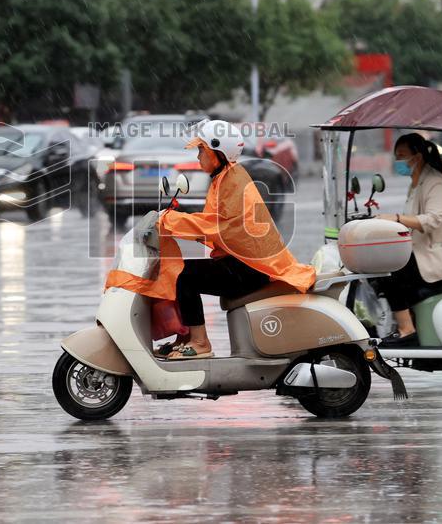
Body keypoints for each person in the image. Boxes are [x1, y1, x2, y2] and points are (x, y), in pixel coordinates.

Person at [106, 120, 316, 360]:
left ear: (218, 152)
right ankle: (184, 337)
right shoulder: (224, 177)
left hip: (252, 267)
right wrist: (177, 217)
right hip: (242, 261)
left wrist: (175, 222)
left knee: (187, 277)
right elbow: (214, 220)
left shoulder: (233, 180)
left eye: (201, 150)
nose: (198, 156)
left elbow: (222, 227)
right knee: (179, 271)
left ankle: (200, 343)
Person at [375, 132, 442, 347]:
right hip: (423, 251)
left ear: (417, 157)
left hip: (439, 256)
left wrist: (396, 218)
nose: (398, 161)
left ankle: (406, 329)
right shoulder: (416, 183)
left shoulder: (435, 182)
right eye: (396, 156)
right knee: (380, 268)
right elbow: (412, 222)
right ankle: (401, 322)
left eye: (402, 156)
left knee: (389, 272)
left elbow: (432, 220)